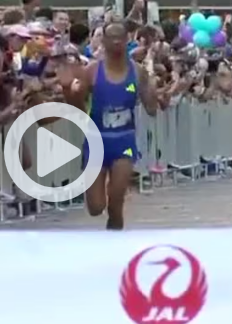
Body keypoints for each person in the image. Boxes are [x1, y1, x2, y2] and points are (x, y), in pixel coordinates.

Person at [62, 22, 159, 230]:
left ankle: (115, 242)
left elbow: (152, 109)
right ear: (103, 41)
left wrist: (153, 91)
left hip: (124, 140)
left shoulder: (138, 72)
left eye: (120, 37)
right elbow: (77, 109)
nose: (116, 42)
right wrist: (69, 91)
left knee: (116, 200)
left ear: (127, 41)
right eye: (111, 37)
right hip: (96, 141)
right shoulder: (92, 71)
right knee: (96, 207)